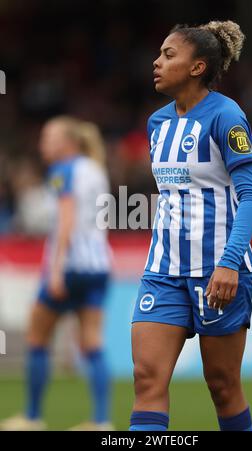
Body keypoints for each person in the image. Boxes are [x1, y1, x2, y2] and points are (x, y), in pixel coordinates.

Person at [130, 21, 252, 431]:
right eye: (159, 53)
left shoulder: (226, 116)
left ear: (197, 67)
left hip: (218, 271)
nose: (157, 61)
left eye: (169, 55)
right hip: (163, 271)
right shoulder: (157, 123)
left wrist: (229, 263)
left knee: (222, 385)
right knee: (147, 378)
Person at [0, 117, 113, 431]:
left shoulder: (63, 170)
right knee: (92, 342)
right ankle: (101, 420)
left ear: (69, 142)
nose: (42, 145)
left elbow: (65, 222)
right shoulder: (95, 169)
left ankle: (32, 417)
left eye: (49, 138)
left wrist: (56, 270)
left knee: (37, 338)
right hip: (98, 265)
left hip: (70, 265)